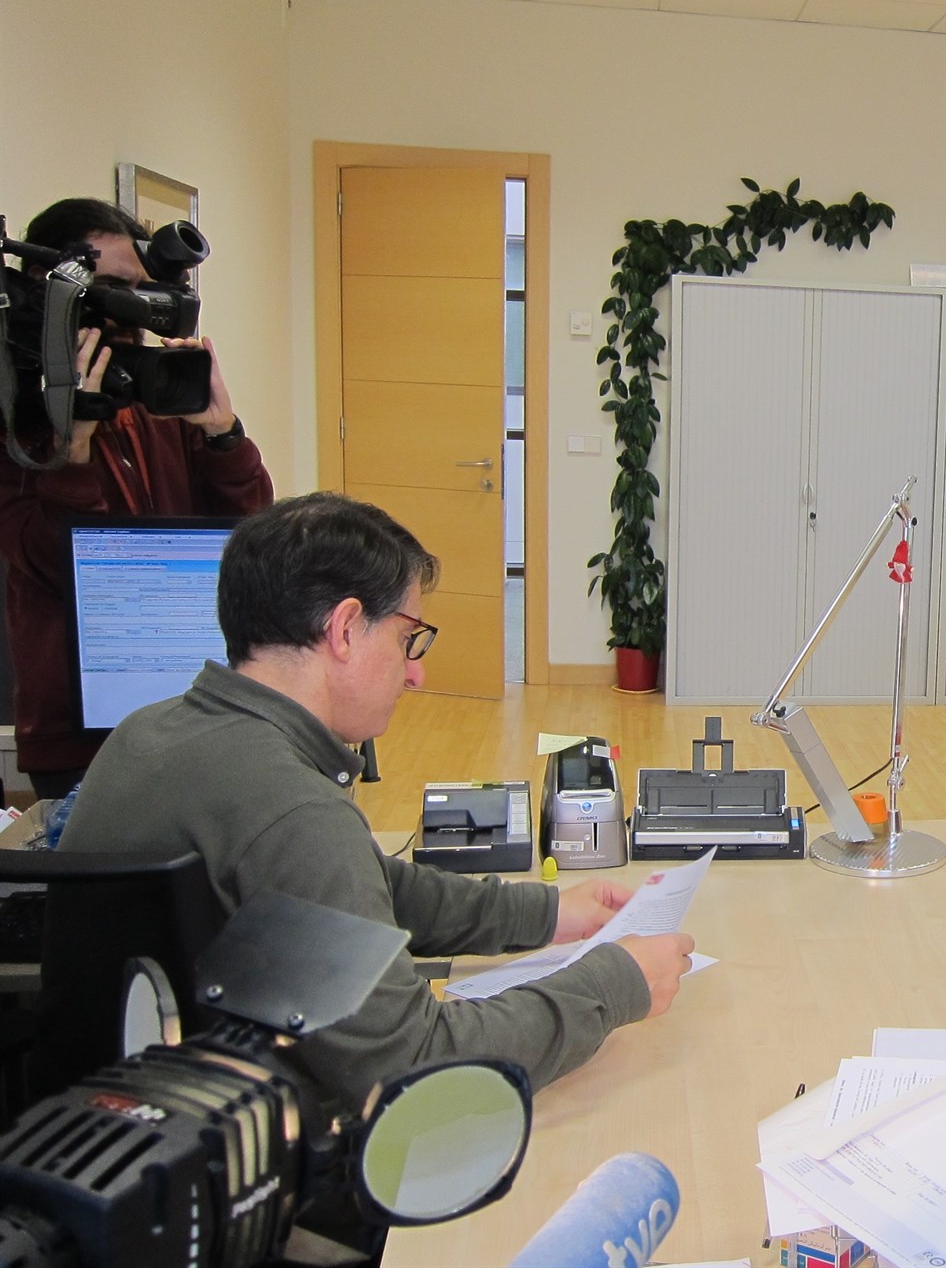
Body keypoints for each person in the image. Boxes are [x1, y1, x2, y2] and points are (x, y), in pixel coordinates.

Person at [59, 492, 694, 1106]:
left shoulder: (152, 730)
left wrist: (547, 914)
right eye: (406, 640)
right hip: (240, 1152)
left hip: (128, 1116)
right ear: (342, 629)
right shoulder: (292, 808)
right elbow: (414, 1065)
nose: (415, 672)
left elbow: (358, 886)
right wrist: (615, 984)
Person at [0, 197, 273, 799]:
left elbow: (251, 531)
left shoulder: (154, 397)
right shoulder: (17, 425)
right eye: (109, 289)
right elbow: (52, 563)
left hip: (192, 704)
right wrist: (72, 450)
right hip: (81, 730)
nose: (129, 311)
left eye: (138, 289)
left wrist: (221, 433)